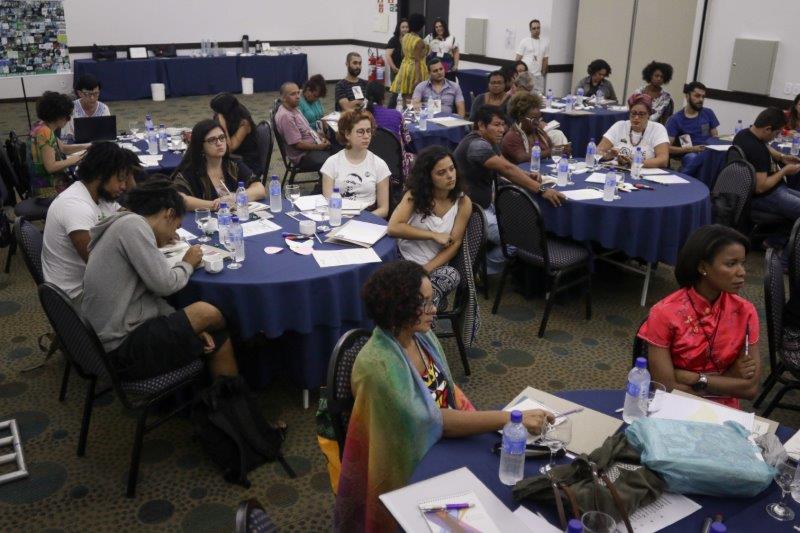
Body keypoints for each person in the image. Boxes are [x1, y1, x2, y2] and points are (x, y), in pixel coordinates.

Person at [334, 260, 553, 530]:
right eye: (424, 303)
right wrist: (510, 418)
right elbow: (434, 422)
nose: (434, 309)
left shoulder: (420, 337)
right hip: (413, 465)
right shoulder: (378, 366)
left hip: (442, 443)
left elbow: (449, 393)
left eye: (432, 300)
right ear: (398, 308)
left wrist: (487, 422)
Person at [81, 179, 238, 381]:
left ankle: (224, 390)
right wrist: (188, 263)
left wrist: (191, 326)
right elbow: (165, 285)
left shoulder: (123, 223)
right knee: (208, 312)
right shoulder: (133, 226)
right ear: (169, 214)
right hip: (119, 348)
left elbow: (150, 294)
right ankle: (246, 351)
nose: (174, 235)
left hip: (104, 338)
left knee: (213, 331)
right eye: (176, 227)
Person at [637, 225, 761, 409]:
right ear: (703, 267)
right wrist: (729, 378)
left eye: (742, 263)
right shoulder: (665, 313)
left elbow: (750, 389)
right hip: (674, 408)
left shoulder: (745, 311)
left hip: (725, 411)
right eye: (731, 264)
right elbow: (666, 389)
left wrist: (695, 378)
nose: (742, 272)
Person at [454, 105, 564, 274]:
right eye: (496, 125)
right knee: (519, 240)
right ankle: (481, 270)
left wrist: (526, 174)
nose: (502, 130)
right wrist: (542, 190)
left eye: (503, 125)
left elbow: (504, 165)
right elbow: (507, 170)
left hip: (485, 203)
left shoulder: (489, 142)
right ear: (481, 125)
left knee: (523, 223)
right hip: (471, 211)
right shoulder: (477, 146)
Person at [41, 142, 138, 302]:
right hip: (77, 296)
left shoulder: (100, 195)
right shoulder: (75, 207)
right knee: (157, 292)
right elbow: (100, 266)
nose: (124, 186)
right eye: (121, 179)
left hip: (94, 283)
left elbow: (131, 218)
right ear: (101, 174)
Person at [388, 146, 473, 308]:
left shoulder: (463, 201)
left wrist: (425, 269)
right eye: (441, 173)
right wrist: (432, 235)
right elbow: (393, 228)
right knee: (417, 294)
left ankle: (417, 308)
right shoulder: (414, 195)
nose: (450, 176)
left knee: (452, 275)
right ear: (428, 177)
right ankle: (422, 311)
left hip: (435, 267)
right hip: (405, 259)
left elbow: (454, 244)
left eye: (452, 169)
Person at [172, 119, 265, 211]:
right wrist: (216, 205)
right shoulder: (190, 171)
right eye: (212, 140)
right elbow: (180, 199)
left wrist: (236, 197)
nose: (219, 143)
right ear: (201, 146)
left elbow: (259, 189)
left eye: (222, 137)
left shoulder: (233, 164)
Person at [733, 107, 800, 222]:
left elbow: (766, 146)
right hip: (764, 196)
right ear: (768, 129)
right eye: (777, 133)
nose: (776, 137)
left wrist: (782, 157)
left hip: (752, 192)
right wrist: (784, 171)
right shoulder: (757, 150)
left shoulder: (743, 134)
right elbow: (760, 188)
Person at [321, 110, 391, 218]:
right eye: (360, 131)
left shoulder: (379, 165)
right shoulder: (332, 163)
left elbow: (384, 209)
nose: (366, 136)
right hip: (339, 217)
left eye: (368, 131)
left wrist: (362, 220)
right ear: (347, 134)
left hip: (368, 218)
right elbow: (329, 203)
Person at [30, 91, 91, 199]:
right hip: (48, 190)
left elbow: (62, 148)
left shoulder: (40, 125)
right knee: (89, 188)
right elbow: (51, 167)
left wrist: (87, 146)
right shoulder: (45, 132)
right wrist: (75, 159)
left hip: (42, 184)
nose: (69, 120)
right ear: (58, 116)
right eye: (68, 117)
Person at [597, 93, 669, 168]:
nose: (636, 117)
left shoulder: (658, 129)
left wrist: (634, 163)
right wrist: (608, 155)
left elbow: (663, 160)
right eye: (633, 113)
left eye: (641, 114)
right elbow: (598, 150)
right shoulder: (619, 126)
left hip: (643, 172)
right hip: (618, 170)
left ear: (649, 115)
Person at [274, 81, 333, 173]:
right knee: (334, 161)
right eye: (293, 94)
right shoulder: (286, 116)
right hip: (303, 156)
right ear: (284, 98)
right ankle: (326, 182)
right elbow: (298, 144)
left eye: (298, 93)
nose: (298, 96)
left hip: (312, 146)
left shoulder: (294, 108)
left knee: (340, 148)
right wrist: (319, 147)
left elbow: (308, 129)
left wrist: (321, 138)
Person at [665, 81, 720, 175]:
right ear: (687, 96)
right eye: (697, 96)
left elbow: (715, 137)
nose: (701, 99)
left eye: (703, 97)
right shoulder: (675, 120)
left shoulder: (708, 113)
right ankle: (682, 178)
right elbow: (666, 148)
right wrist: (692, 149)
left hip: (708, 152)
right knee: (693, 158)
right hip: (689, 153)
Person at [501, 92, 569, 164]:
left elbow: (551, 149)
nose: (537, 123)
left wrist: (561, 150)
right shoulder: (512, 136)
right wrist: (552, 151)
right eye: (533, 120)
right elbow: (522, 158)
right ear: (520, 118)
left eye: (539, 119)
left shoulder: (539, 132)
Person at [209, 92, 262, 176]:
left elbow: (229, 149)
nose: (215, 114)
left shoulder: (244, 123)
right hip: (233, 158)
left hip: (246, 163)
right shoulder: (227, 118)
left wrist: (223, 127)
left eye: (217, 111)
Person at [390, 13, 429, 106]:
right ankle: (410, 113)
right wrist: (418, 78)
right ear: (421, 26)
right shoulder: (418, 41)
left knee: (404, 95)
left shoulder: (405, 37)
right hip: (415, 69)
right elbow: (417, 60)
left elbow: (403, 53)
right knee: (414, 96)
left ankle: (403, 112)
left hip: (405, 66)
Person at [60, 73, 111, 141]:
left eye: (96, 93)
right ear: (79, 93)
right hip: (74, 146)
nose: (92, 98)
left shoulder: (104, 109)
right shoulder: (70, 109)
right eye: (88, 94)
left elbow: (107, 135)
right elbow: (65, 137)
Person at [515, 19, 549, 93]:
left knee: (538, 96)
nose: (536, 30)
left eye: (538, 28)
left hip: (538, 76)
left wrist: (542, 73)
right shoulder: (524, 41)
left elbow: (545, 59)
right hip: (526, 75)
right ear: (530, 30)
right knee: (524, 96)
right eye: (534, 28)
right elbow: (518, 59)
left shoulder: (545, 43)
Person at [386, 18, 409, 84]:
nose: (405, 29)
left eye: (407, 27)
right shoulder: (393, 40)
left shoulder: (410, 39)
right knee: (396, 89)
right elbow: (388, 56)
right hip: (396, 70)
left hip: (407, 70)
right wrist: (394, 68)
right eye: (403, 27)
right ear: (399, 28)